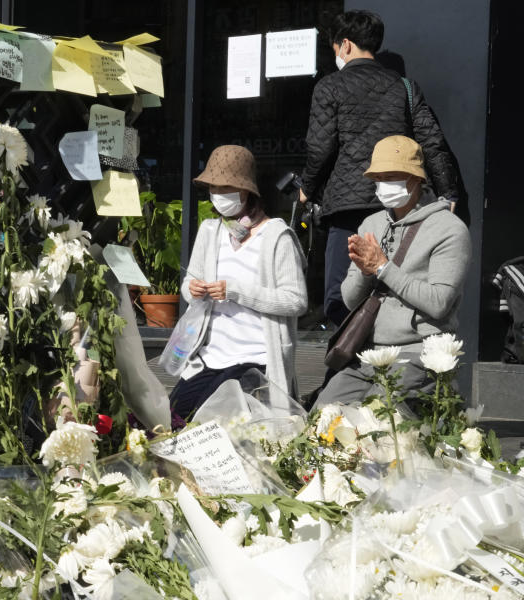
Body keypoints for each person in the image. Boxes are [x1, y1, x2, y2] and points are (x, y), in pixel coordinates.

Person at [298, 10, 460, 328]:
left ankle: (353, 362)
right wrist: (448, 191)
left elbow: (320, 147)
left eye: (334, 49)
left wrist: (307, 186)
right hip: (395, 207)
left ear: (344, 45)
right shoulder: (405, 88)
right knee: (390, 287)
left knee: (340, 296)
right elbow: (432, 141)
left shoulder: (329, 87)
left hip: (347, 208)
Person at [316, 135, 470, 406]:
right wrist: (366, 272)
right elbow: (350, 301)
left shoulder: (449, 229)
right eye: (379, 177)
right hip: (367, 352)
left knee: (375, 422)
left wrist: (383, 267)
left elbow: (439, 303)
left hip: (419, 355)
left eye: (393, 175)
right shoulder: (370, 224)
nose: (384, 184)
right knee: (321, 416)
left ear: (416, 178)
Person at [170, 145, 308, 420]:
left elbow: (296, 301)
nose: (218, 196)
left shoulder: (276, 236)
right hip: (208, 356)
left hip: (255, 360)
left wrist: (234, 291)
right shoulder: (211, 230)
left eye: (225, 188)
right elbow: (189, 283)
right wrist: (193, 289)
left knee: (214, 423)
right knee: (172, 418)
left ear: (246, 191)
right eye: (213, 188)